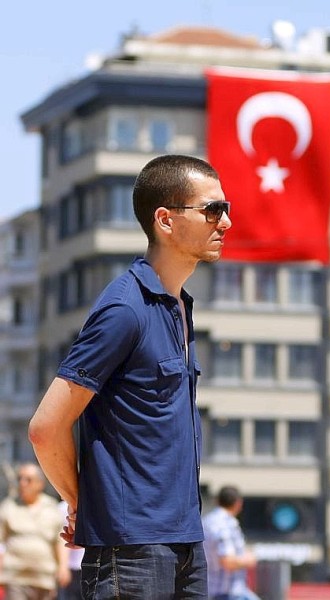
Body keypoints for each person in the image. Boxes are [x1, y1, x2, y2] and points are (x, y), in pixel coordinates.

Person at [28, 154, 232, 599]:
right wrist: (83, 503)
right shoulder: (125, 308)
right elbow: (46, 427)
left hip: (184, 541)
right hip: (130, 548)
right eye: (212, 210)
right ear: (165, 220)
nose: (225, 222)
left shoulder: (178, 307)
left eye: (226, 209)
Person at [0, 463, 70, 600]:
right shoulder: (8, 507)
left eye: (28, 479)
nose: (23, 483)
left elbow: (59, 540)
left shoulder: (51, 508)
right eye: (20, 478)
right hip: (15, 577)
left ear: (40, 484)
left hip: (44, 579)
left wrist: (63, 567)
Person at [202, 485, 258, 600]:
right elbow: (228, 561)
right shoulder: (226, 524)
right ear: (238, 504)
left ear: (217, 501)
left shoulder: (206, 521)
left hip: (212, 589)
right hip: (226, 593)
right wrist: (249, 559)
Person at [56, 500, 83, 600]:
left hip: (91, 565)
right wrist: (63, 566)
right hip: (71, 568)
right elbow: (61, 539)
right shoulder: (62, 508)